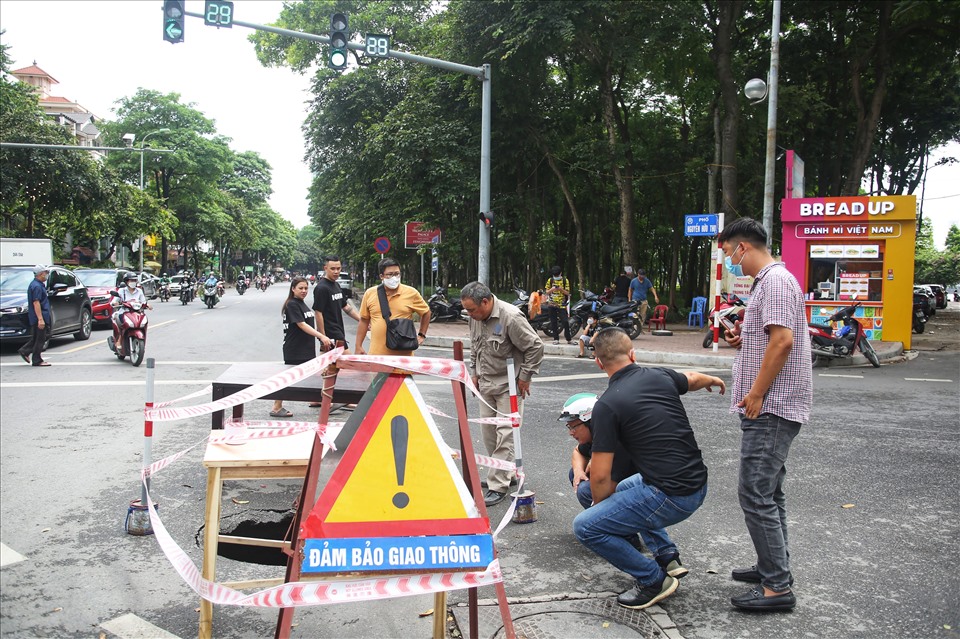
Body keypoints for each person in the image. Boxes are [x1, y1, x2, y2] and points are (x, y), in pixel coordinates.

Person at [572, 327, 725, 610]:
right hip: (698, 483)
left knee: (586, 527)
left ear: (598, 363)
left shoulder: (607, 404)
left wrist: (600, 514)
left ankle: (653, 580)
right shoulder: (659, 375)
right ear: (633, 354)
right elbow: (691, 379)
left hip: (673, 496)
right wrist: (712, 379)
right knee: (630, 487)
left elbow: (602, 475)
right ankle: (667, 556)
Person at [719, 217, 812, 612]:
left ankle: (777, 588)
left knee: (754, 492)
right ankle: (773, 567)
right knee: (770, 492)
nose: (728, 261)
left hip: (771, 406)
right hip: (773, 403)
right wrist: (744, 336)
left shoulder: (774, 281)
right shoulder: (773, 282)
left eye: (728, 253)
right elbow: (770, 337)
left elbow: (784, 341)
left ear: (743, 247)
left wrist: (756, 394)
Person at [460, 281, 544, 506]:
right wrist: (474, 372)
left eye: (472, 309)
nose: (469, 314)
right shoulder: (475, 317)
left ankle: (498, 485)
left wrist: (525, 376)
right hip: (486, 383)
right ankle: (504, 471)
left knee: (506, 433)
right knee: (488, 432)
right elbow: (475, 347)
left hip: (509, 384)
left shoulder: (511, 317)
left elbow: (535, 347)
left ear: (485, 302)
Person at [270, 277, 333, 418]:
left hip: (305, 347)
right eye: (301, 288)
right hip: (295, 348)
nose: (304, 291)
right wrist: (322, 336)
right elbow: (302, 324)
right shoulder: (292, 305)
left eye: (306, 288)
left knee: (314, 373)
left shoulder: (301, 304)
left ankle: (317, 399)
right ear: (293, 289)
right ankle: (276, 406)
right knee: (289, 378)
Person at [355, 258, 430, 356]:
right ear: (381, 276)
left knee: (402, 372)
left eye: (397, 274)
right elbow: (364, 320)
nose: (394, 278)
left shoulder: (411, 293)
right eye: (390, 274)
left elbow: (426, 312)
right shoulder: (370, 293)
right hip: (377, 356)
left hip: (404, 356)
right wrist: (358, 346)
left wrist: (421, 334)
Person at [312, 255, 361, 351]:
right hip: (330, 335)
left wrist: (362, 321)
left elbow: (346, 307)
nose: (336, 272)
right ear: (325, 268)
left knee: (333, 365)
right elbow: (318, 313)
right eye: (332, 269)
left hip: (339, 332)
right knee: (348, 364)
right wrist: (323, 337)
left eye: (338, 268)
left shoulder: (336, 285)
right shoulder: (321, 288)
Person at [17, 265, 52, 367]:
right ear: (41, 274)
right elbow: (36, 303)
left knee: (42, 336)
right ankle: (37, 359)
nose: (46, 275)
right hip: (39, 316)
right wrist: (40, 319)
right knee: (41, 338)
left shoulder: (38, 285)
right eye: (45, 273)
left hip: (42, 315)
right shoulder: (36, 286)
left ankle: (25, 351)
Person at [543, 265, 571, 345]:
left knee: (565, 321)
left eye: (557, 275)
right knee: (553, 322)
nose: (556, 277)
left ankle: (568, 338)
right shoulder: (550, 280)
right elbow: (546, 292)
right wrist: (552, 289)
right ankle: (556, 339)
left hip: (561, 305)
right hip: (551, 304)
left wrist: (561, 289)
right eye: (555, 276)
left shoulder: (565, 280)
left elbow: (568, 293)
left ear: (561, 273)